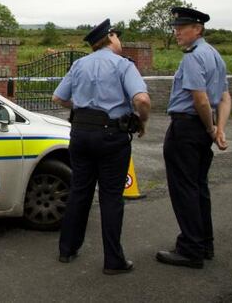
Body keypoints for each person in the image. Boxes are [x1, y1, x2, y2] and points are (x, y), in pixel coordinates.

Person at [52, 19, 151, 275]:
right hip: (111, 137)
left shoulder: (79, 64)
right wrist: (141, 120)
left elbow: (58, 97)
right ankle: (113, 261)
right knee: (110, 197)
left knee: (79, 191)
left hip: (81, 134)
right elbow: (141, 98)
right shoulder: (123, 65)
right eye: (118, 36)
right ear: (110, 38)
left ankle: (67, 249)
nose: (121, 41)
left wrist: (84, 111)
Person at [156, 7, 231, 269]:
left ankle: (190, 249)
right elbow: (223, 97)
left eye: (181, 27)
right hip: (202, 130)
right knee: (199, 187)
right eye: (176, 27)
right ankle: (204, 242)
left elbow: (200, 99)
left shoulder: (193, 57)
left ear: (197, 29)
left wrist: (212, 128)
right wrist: (218, 129)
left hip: (187, 128)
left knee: (184, 188)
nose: (176, 32)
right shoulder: (215, 55)